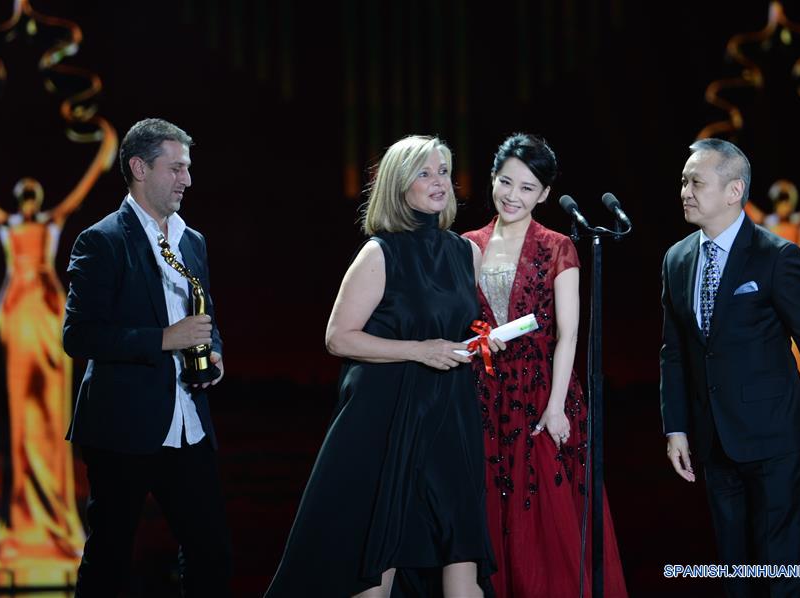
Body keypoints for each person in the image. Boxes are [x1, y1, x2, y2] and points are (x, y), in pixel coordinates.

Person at [266, 135, 502, 598]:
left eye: (443, 171)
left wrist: (480, 344)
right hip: (387, 416)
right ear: (399, 186)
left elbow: (457, 325)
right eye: (424, 173)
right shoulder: (380, 253)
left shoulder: (466, 252)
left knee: (461, 555)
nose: (439, 182)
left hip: (449, 416)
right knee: (379, 560)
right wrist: (419, 349)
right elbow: (338, 338)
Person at [661, 137, 800, 597]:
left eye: (696, 182)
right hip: (714, 439)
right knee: (735, 572)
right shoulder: (676, 259)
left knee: (779, 572)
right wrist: (676, 428)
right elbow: (673, 351)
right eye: (683, 182)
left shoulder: (778, 256)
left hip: (775, 437)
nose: (685, 192)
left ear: (733, 192)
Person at [62, 118, 231, 596]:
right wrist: (163, 339)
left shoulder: (191, 240)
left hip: (188, 425)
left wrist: (213, 351)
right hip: (123, 427)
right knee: (111, 557)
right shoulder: (102, 241)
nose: (187, 180)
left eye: (188, 168)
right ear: (139, 167)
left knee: (211, 552)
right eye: (176, 168)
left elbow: (204, 314)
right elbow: (79, 335)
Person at [462, 133, 628, 597]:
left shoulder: (558, 246)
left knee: (544, 516)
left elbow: (569, 334)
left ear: (545, 194)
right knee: (488, 509)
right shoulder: (466, 245)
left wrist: (555, 407)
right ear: (492, 180)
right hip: (481, 392)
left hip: (541, 390)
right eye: (506, 182)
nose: (513, 195)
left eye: (528, 187)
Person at [0, 120, 113, 575]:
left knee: (50, 409)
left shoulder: (53, 221)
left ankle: (53, 516)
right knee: (21, 411)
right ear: (19, 198)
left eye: (34, 190)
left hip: (48, 309)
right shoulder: (8, 223)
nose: (30, 196)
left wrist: (105, 151)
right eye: (24, 191)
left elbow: (82, 188)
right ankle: (22, 519)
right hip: (16, 310)